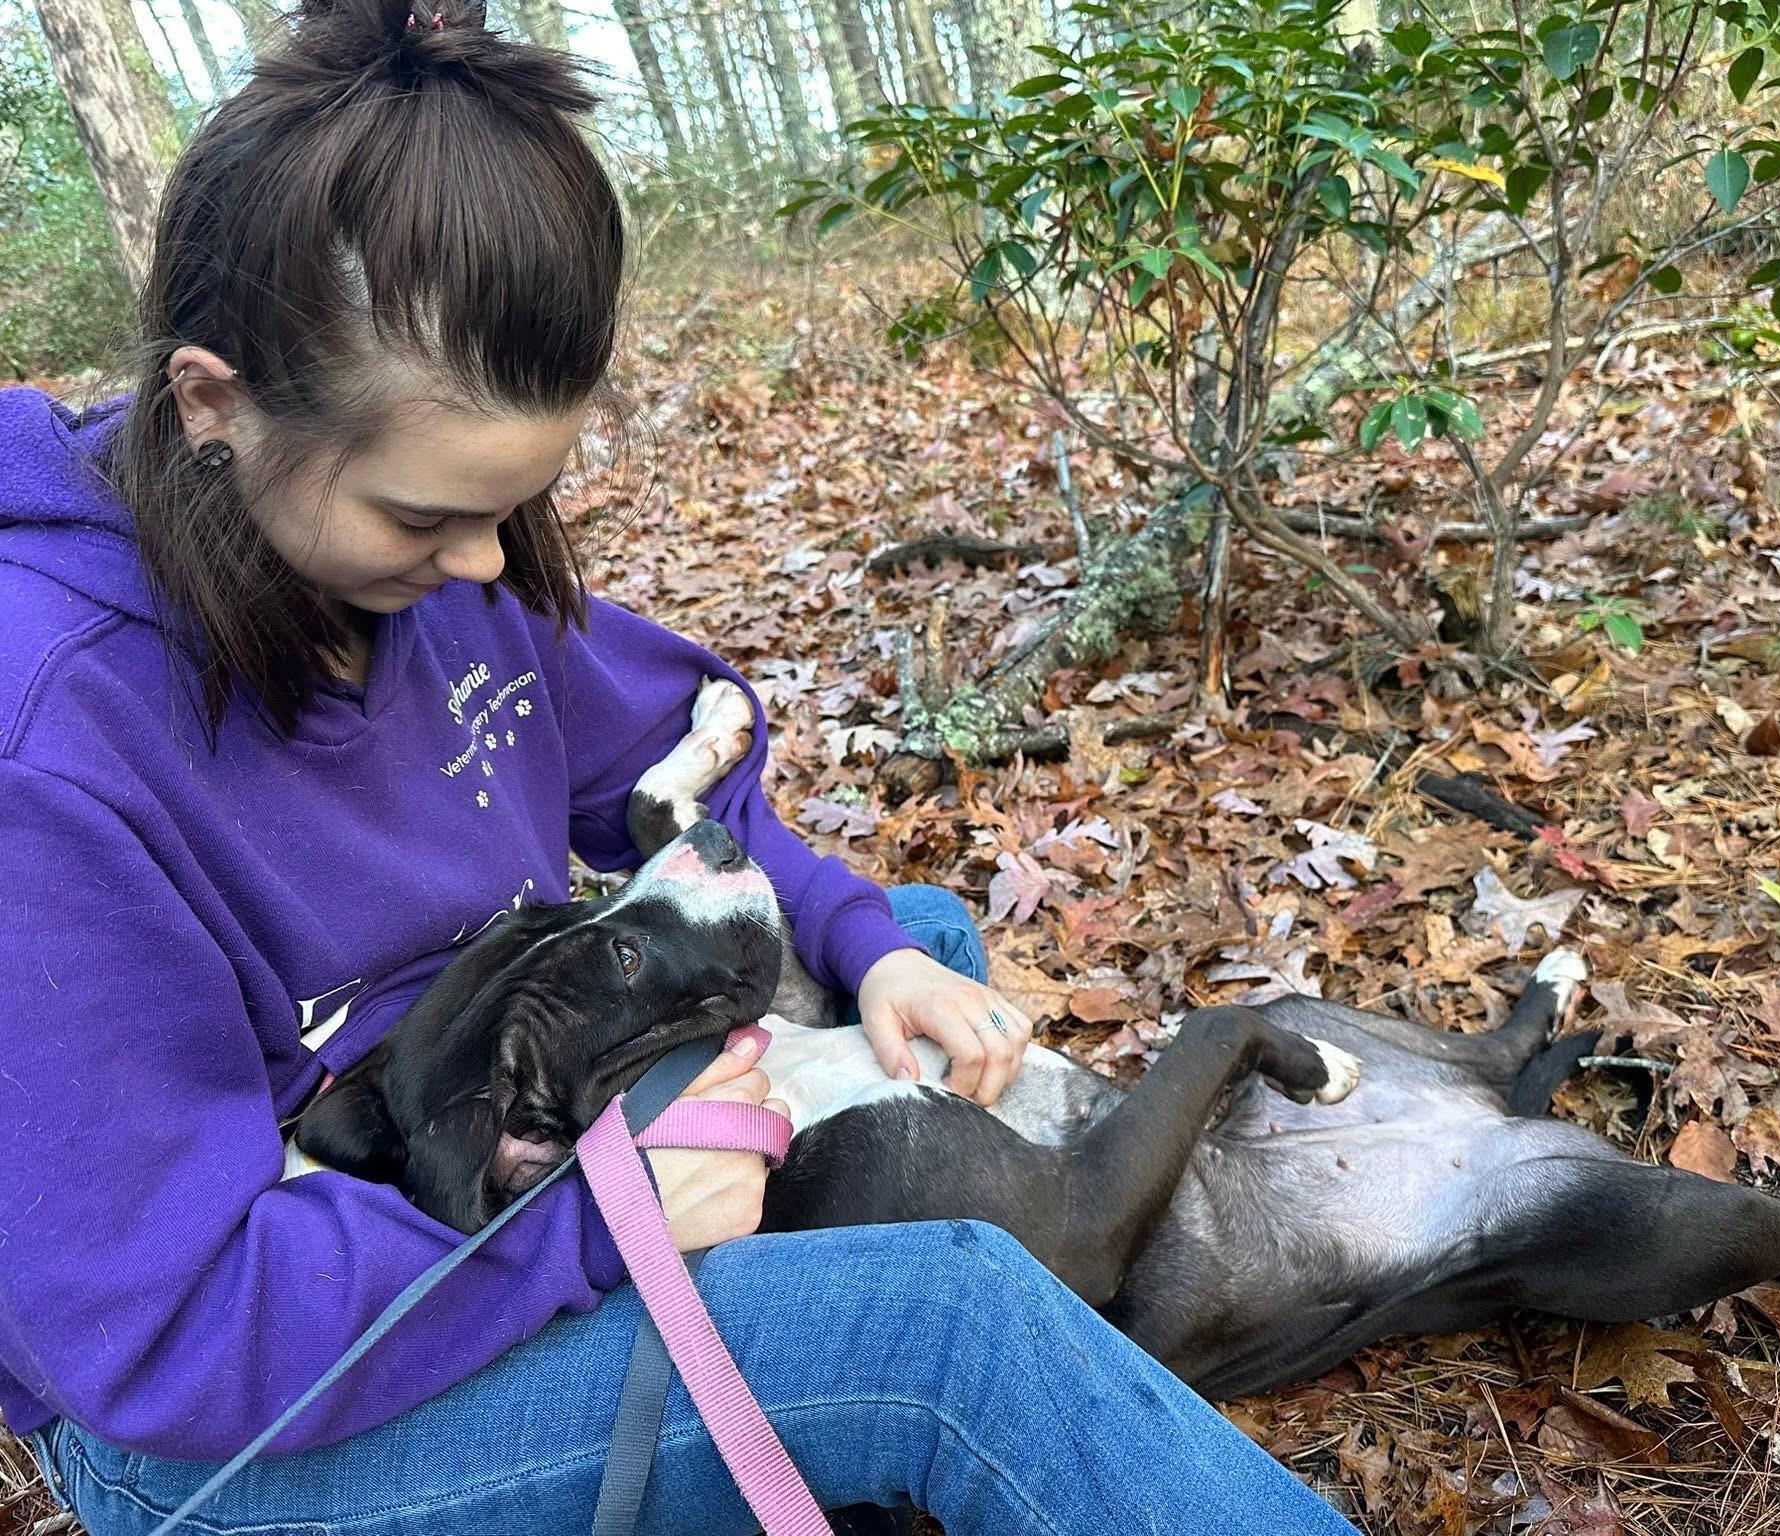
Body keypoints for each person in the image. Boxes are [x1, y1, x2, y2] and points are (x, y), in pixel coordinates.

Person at [0, 2, 1362, 1533]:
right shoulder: (48, 755)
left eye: (521, 501)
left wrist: (857, 941)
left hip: (519, 1126)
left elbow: (662, 756)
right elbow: (160, 1331)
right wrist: (593, 1223)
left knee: (924, 953)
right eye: (419, 516)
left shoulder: (438, 577)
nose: (487, 562)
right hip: (247, 1411)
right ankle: (980, 1404)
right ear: (211, 403)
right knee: (947, 1335)